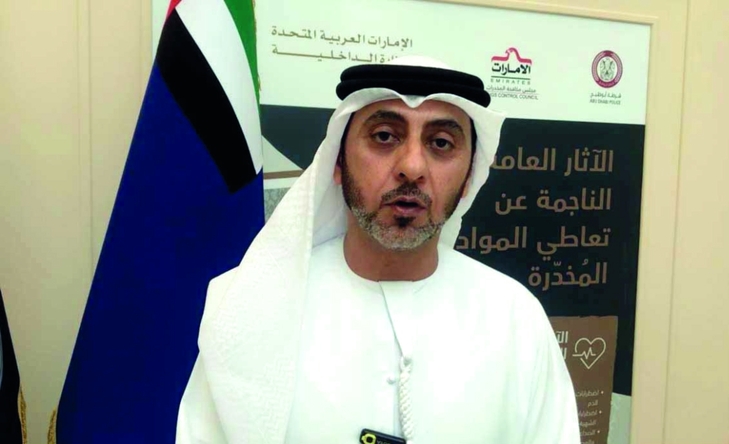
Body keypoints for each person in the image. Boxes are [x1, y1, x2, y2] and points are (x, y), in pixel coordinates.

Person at [176, 56, 579, 444]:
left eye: (441, 143)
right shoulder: (248, 306)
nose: (412, 167)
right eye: (385, 136)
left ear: (469, 177)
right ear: (337, 162)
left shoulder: (516, 319)